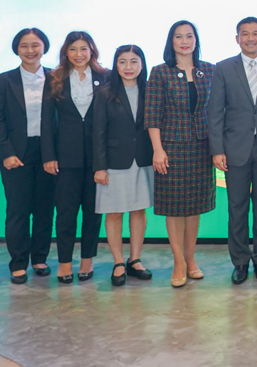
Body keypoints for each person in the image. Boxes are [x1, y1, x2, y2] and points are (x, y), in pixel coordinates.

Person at [208, 17, 257, 285]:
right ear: (237, 38)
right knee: (237, 208)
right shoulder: (224, 68)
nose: (250, 38)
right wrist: (217, 149)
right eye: (245, 34)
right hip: (234, 150)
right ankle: (240, 262)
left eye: (256, 33)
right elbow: (215, 112)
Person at [144, 20, 216, 288]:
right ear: (170, 41)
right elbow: (152, 115)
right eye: (178, 36)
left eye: (189, 36)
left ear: (196, 40)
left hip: (201, 148)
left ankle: (191, 257)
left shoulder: (209, 70)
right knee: (174, 207)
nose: (185, 41)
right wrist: (158, 150)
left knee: (194, 207)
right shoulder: (160, 72)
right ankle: (178, 261)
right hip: (170, 148)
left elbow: (217, 110)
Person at [40, 31, 111, 283]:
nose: (78, 54)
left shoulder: (106, 77)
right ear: (66, 52)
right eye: (73, 49)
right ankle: (64, 262)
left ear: (92, 51)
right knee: (66, 212)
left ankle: (87, 260)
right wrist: (48, 155)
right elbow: (46, 121)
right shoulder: (55, 78)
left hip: (97, 159)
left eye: (84, 49)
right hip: (65, 158)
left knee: (93, 212)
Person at [0, 28, 56, 283]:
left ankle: (39, 258)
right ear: (17, 49)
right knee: (17, 210)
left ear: (44, 47)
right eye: (24, 45)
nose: (30, 50)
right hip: (16, 153)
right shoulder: (4, 80)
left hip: (48, 153)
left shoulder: (56, 77)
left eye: (35, 45)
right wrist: (6, 152)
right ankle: (18, 262)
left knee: (44, 209)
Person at [92, 45, 155, 286]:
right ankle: (118, 261)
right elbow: (97, 133)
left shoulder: (151, 91)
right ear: (116, 65)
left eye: (133, 61)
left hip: (143, 159)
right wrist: (100, 167)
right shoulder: (105, 93)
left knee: (138, 210)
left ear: (142, 64)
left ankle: (135, 259)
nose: (128, 67)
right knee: (115, 211)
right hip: (113, 163)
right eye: (122, 62)